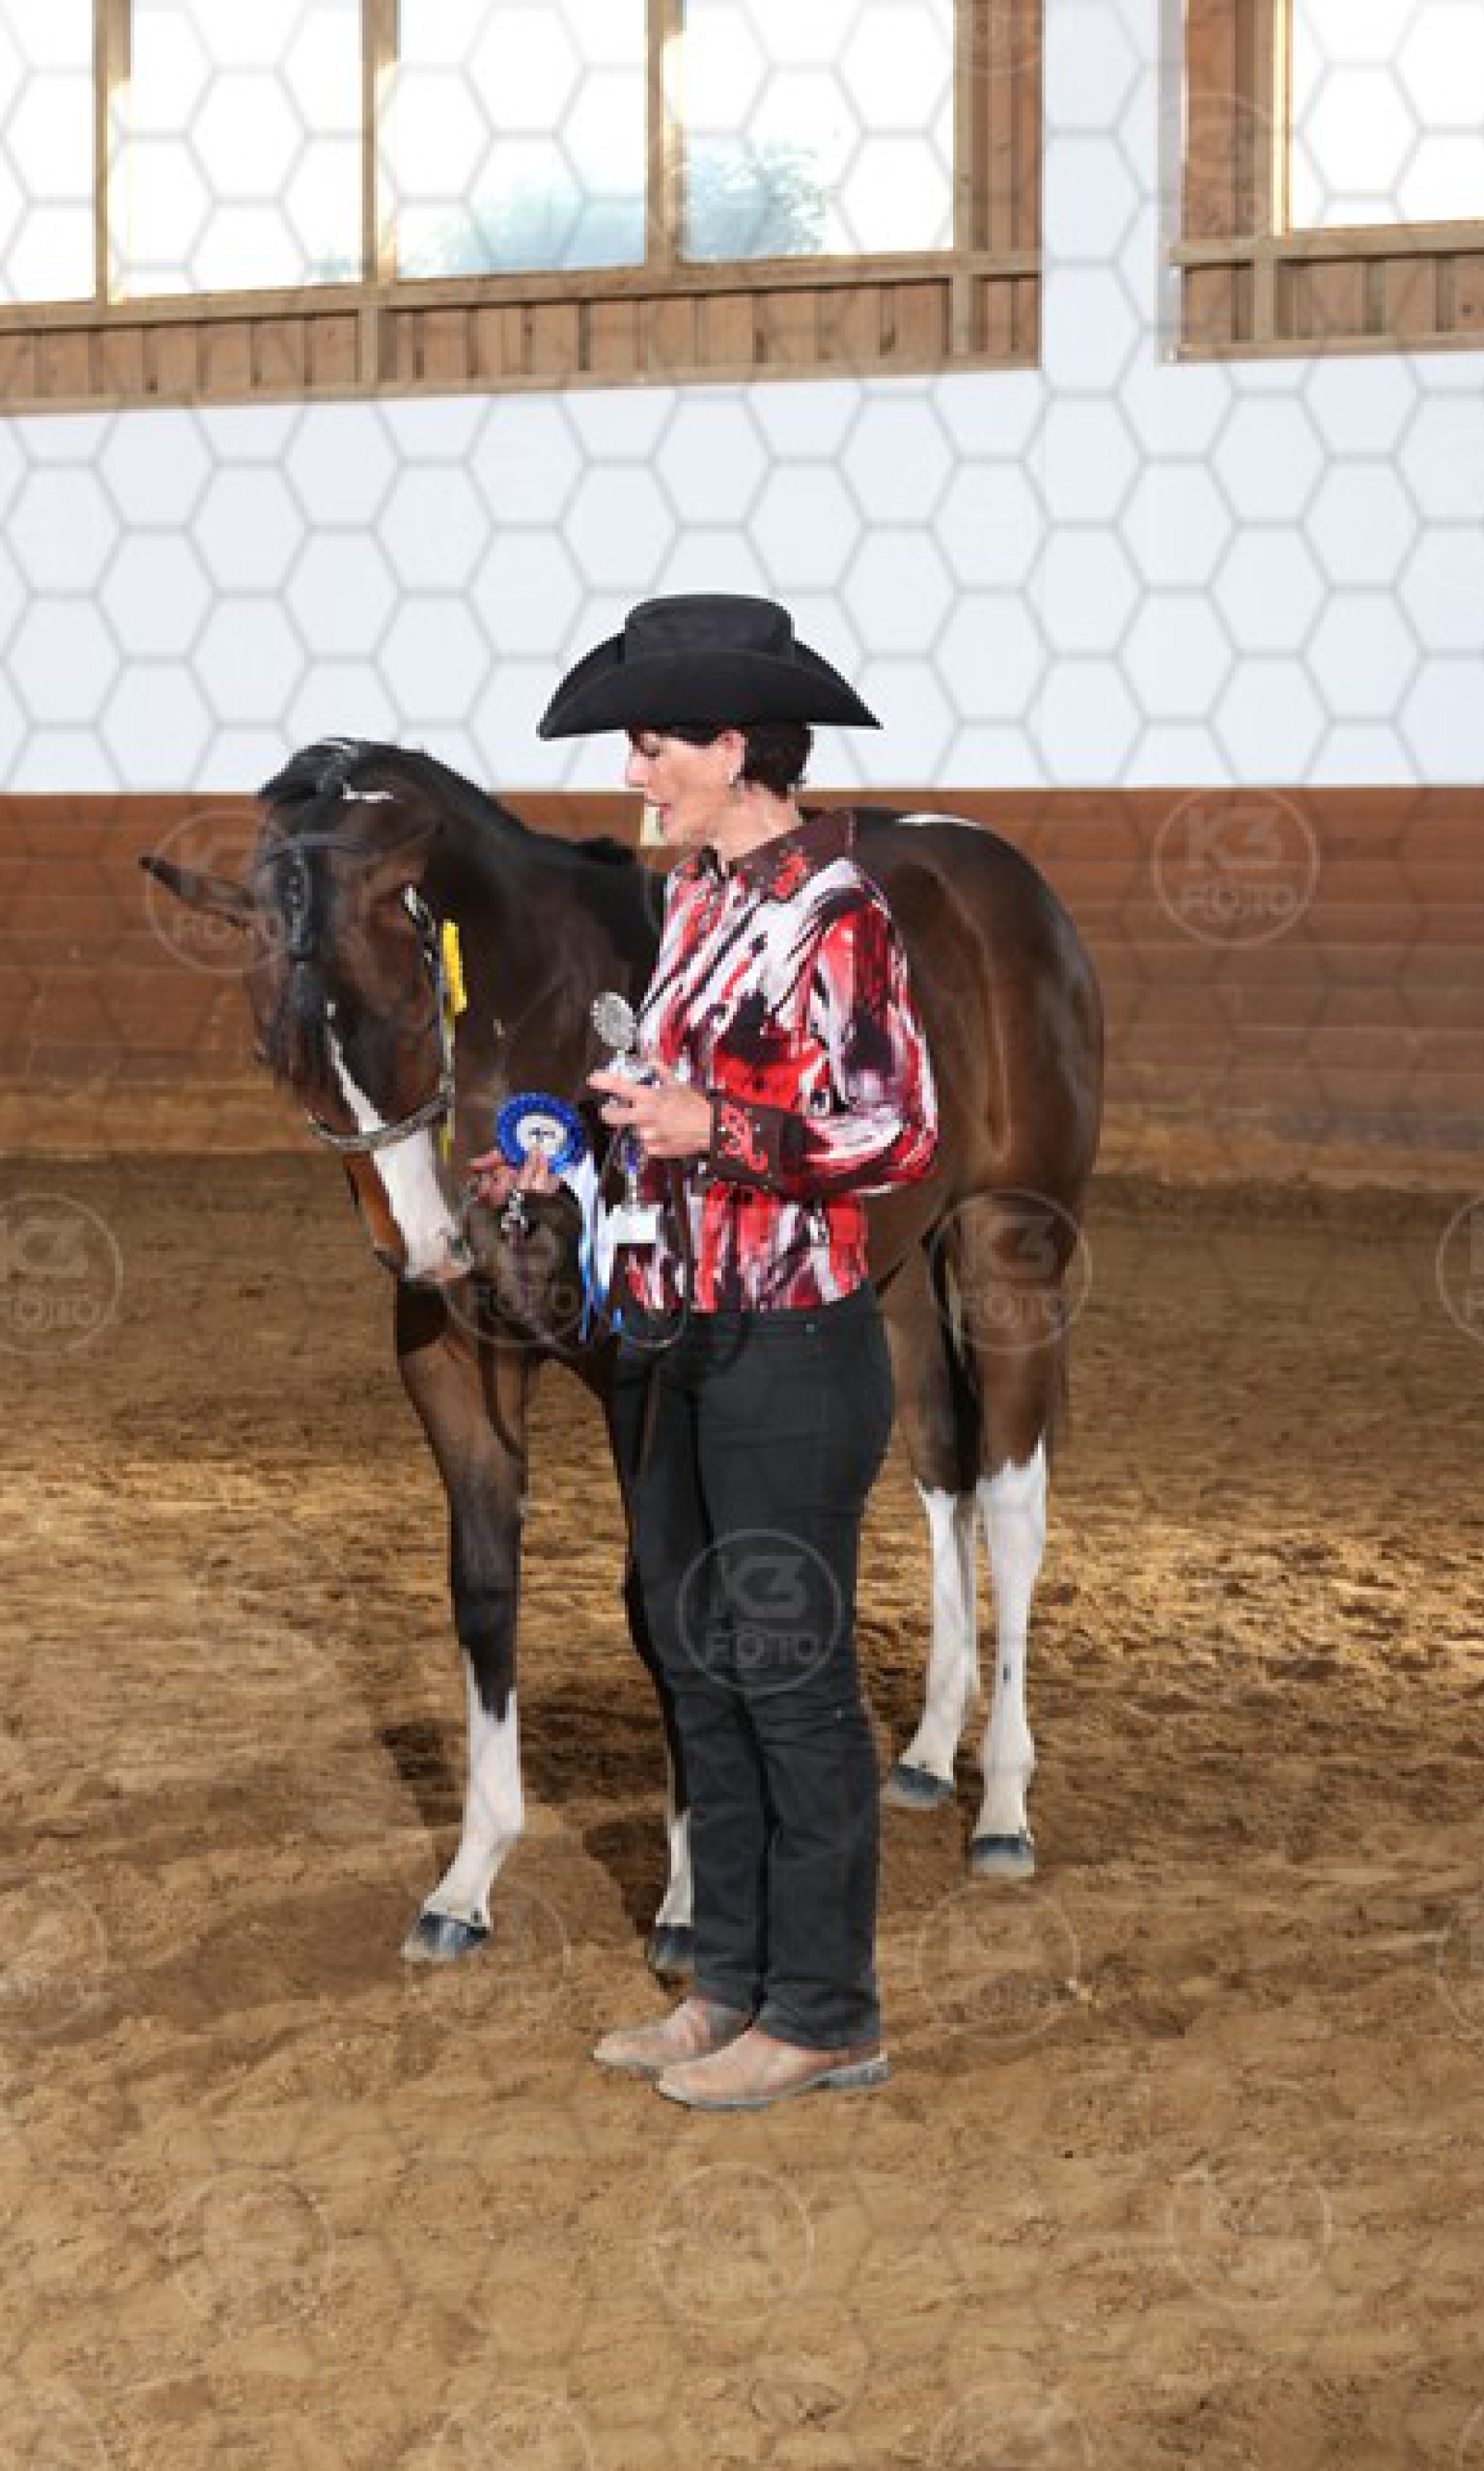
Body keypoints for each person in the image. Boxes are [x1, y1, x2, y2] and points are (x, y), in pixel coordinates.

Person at [535, 592, 939, 2112]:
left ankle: (827, 2012)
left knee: (791, 1680)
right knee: (697, 1661)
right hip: (681, 1331)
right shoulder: (696, 901)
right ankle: (731, 1987)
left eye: (653, 745)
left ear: (731, 745)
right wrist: (577, 1150)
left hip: (789, 1347)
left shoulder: (840, 914)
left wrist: (719, 1126)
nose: (632, 772)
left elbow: (901, 1131)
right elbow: (666, 1098)